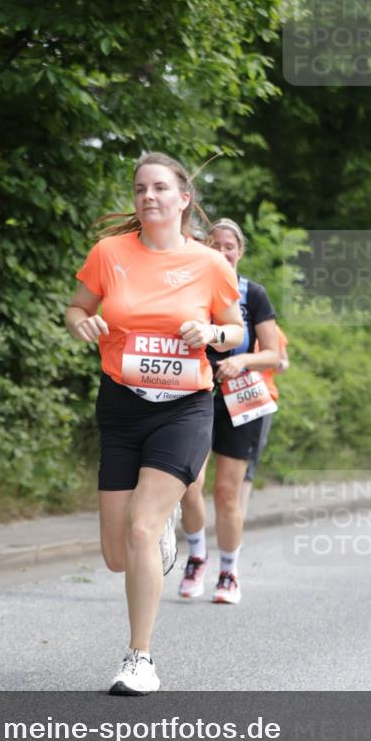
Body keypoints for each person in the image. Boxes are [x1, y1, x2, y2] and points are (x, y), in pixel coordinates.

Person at [65, 154, 245, 695]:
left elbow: (235, 330)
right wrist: (82, 324)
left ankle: (139, 659)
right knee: (116, 555)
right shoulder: (109, 253)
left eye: (161, 187)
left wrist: (210, 334)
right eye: (141, 188)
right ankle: (159, 532)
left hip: (184, 408)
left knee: (140, 527)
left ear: (183, 198)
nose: (149, 196)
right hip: (122, 405)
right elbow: (76, 308)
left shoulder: (209, 263)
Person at [179, 218, 279, 604]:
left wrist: (244, 360)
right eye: (214, 245)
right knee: (189, 483)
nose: (221, 252)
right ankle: (196, 557)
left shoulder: (253, 293)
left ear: (240, 251)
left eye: (229, 246)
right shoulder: (190, 288)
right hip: (197, 391)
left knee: (226, 492)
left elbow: (273, 354)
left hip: (241, 394)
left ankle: (229, 572)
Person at [240, 327, 289, 519]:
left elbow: (284, 362)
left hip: (261, 396)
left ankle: (240, 516)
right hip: (231, 394)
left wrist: (278, 364)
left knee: (251, 453)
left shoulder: (272, 330)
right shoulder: (233, 324)